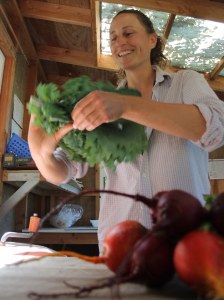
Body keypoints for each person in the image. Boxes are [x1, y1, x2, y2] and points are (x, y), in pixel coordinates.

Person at [28, 9, 224, 253]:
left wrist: (126, 106)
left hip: (187, 244)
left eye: (128, 33)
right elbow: (64, 170)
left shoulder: (186, 82)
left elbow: (214, 128)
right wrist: (40, 153)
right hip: (121, 245)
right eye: (113, 38)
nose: (120, 42)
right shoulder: (101, 105)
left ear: (152, 40)